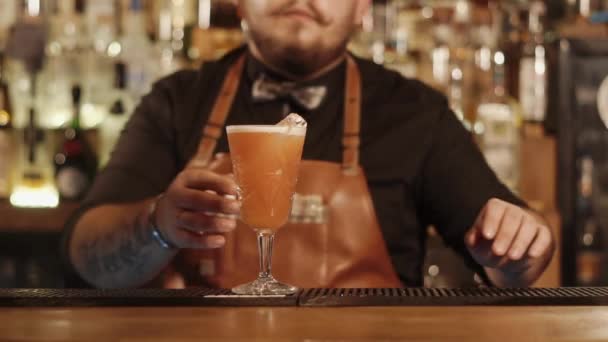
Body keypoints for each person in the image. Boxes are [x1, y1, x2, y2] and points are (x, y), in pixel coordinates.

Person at [63, 0, 554, 289]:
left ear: (363, 8)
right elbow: (85, 254)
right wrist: (158, 225)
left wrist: (520, 246)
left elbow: (514, 264)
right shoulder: (177, 102)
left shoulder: (415, 112)